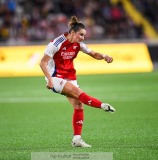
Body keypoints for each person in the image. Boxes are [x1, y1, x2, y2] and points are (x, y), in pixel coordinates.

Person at [39, 16, 115, 148]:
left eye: (84, 35)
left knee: (79, 105)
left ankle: (77, 139)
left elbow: (93, 53)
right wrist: (50, 80)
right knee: (78, 93)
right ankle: (102, 105)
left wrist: (104, 56)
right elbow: (42, 62)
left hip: (70, 76)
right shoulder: (56, 44)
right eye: (81, 35)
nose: (83, 38)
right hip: (55, 77)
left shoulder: (78, 44)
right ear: (72, 33)